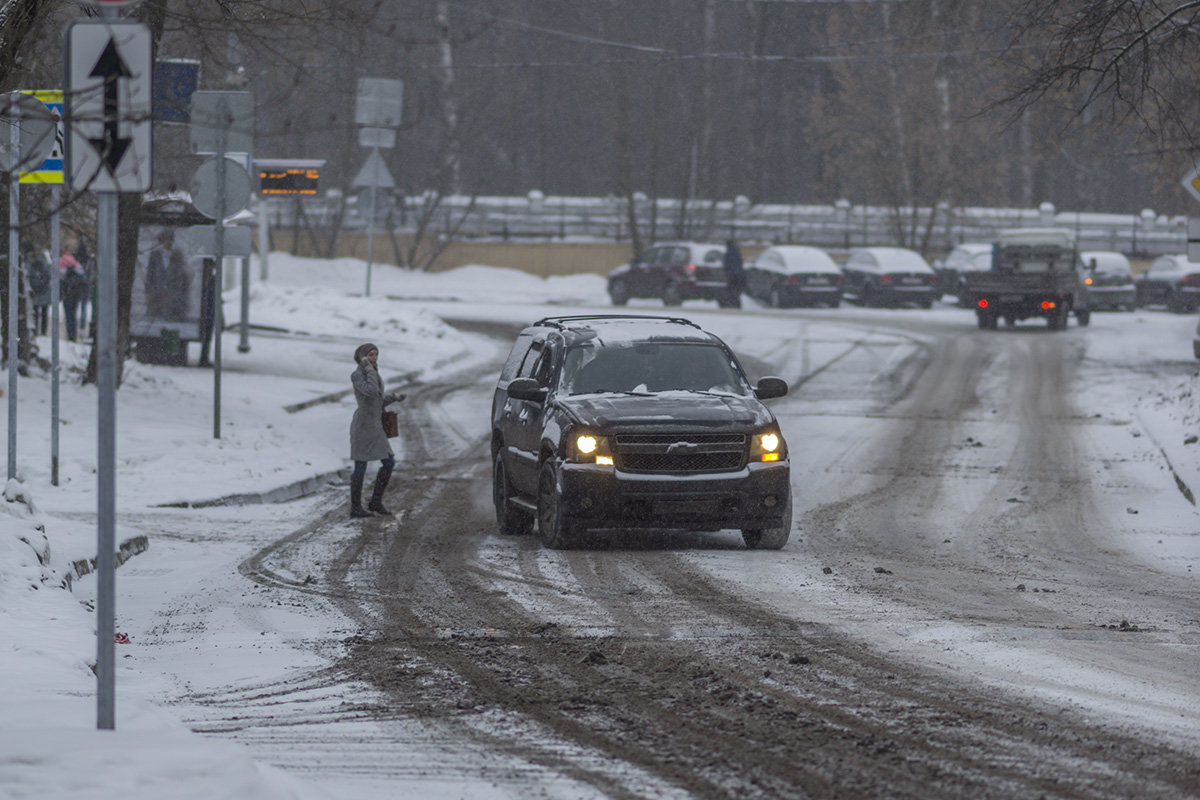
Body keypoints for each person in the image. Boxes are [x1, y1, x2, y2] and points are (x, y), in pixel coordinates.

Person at [349, 343, 405, 518]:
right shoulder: (358, 375)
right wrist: (369, 369)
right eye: (370, 355)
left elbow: (377, 399)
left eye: (376, 355)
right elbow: (371, 391)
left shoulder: (372, 373)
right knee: (361, 465)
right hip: (364, 426)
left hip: (374, 426)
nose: (374, 358)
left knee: (388, 462)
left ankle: (375, 502)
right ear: (362, 357)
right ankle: (356, 507)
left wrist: (392, 397)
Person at [60, 252, 88, 342]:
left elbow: (59, 282)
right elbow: (84, 281)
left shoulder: (62, 269)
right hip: (75, 295)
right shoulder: (78, 269)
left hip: (67, 296)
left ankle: (70, 334)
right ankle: (73, 334)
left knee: (68, 315)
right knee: (74, 315)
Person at [197, 258, 218, 367]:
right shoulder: (202, 280)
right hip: (202, 312)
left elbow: (216, 299)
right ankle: (203, 358)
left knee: (207, 338)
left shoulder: (212, 280)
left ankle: (204, 357)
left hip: (209, 313)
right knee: (204, 336)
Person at [26, 247, 51, 336]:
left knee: (35, 313)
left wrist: (34, 288)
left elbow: (29, 278)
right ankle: (43, 331)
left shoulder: (30, 265)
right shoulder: (46, 265)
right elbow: (48, 277)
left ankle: (36, 331)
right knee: (44, 313)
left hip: (36, 293)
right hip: (44, 293)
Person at [722, 238, 745, 307]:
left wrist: (727, 271)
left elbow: (726, 263)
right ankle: (737, 303)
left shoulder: (728, 252)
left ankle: (732, 303)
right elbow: (740, 261)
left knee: (731, 290)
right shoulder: (737, 251)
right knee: (736, 289)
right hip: (738, 273)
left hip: (731, 274)